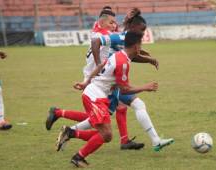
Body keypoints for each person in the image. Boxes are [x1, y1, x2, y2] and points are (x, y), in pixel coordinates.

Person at [46, 8, 145, 150]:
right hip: (97, 78)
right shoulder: (103, 34)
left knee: (119, 108)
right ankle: (68, 128)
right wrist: (127, 22)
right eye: (111, 22)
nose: (114, 25)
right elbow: (122, 37)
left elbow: (117, 34)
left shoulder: (99, 28)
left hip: (97, 76)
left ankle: (124, 141)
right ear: (103, 21)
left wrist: (125, 21)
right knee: (98, 123)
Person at [58, 31, 157, 167]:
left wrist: (86, 82)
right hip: (94, 97)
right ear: (135, 47)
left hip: (95, 95)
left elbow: (101, 66)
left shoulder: (118, 55)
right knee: (106, 134)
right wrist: (145, 87)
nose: (141, 48)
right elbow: (124, 90)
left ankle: (72, 134)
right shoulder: (123, 63)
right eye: (140, 45)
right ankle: (78, 156)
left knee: (106, 134)